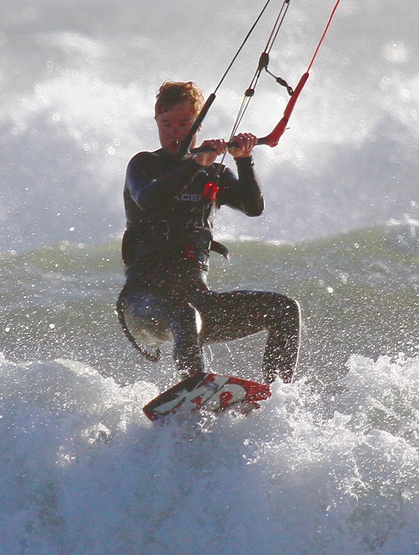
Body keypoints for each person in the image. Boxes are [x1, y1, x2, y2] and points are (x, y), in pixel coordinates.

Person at [118, 80, 300, 384]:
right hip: (144, 304)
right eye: (167, 123)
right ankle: (195, 393)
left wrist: (244, 160)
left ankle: (275, 396)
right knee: (185, 315)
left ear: (198, 123)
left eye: (185, 123)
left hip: (195, 301)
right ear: (156, 122)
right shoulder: (143, 165)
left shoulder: (213, 173)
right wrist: (196, 165)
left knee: (284, 309)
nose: (176, 132)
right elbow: (147, 199)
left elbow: (253, 207)